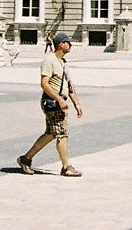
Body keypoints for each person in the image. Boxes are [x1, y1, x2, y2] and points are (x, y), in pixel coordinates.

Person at [17, 32, 84, 177]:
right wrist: (59, 100)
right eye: (68, 42)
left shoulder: (62, 62)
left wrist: (76, 103)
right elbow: (44, 84)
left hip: (60, 102)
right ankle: (66, 167)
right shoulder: (49, 60)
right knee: (62, 134)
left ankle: (26, 159)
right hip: (52, 102)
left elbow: (69, 85)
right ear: (61, 44)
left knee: (51, 133)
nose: (70, 45)